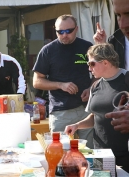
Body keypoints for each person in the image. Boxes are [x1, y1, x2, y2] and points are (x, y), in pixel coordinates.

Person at [65, 43, 129, 173]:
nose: (89, 68)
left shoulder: (126, 79)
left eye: (92, 64)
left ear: (105, 62)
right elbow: (95, 116)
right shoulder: (95, 86)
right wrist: (77, 125)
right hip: (101, 152)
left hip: (125, 153)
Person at [32, 14, 94, 148]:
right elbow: (37, 82)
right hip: (61, 111)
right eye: (60, 32)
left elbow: (99, 73)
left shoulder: (87, 47)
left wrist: (91, 89)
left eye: (68, 31)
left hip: (86, 109)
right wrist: (60, 85)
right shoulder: (48, 50)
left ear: (76, 29)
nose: (64, 35)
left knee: (89, 152)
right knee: (60, 153)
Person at [93, 0, 129, 134]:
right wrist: (101, 45)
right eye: (118, 15)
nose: (123, 24)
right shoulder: (116, 39)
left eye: (128, 13)